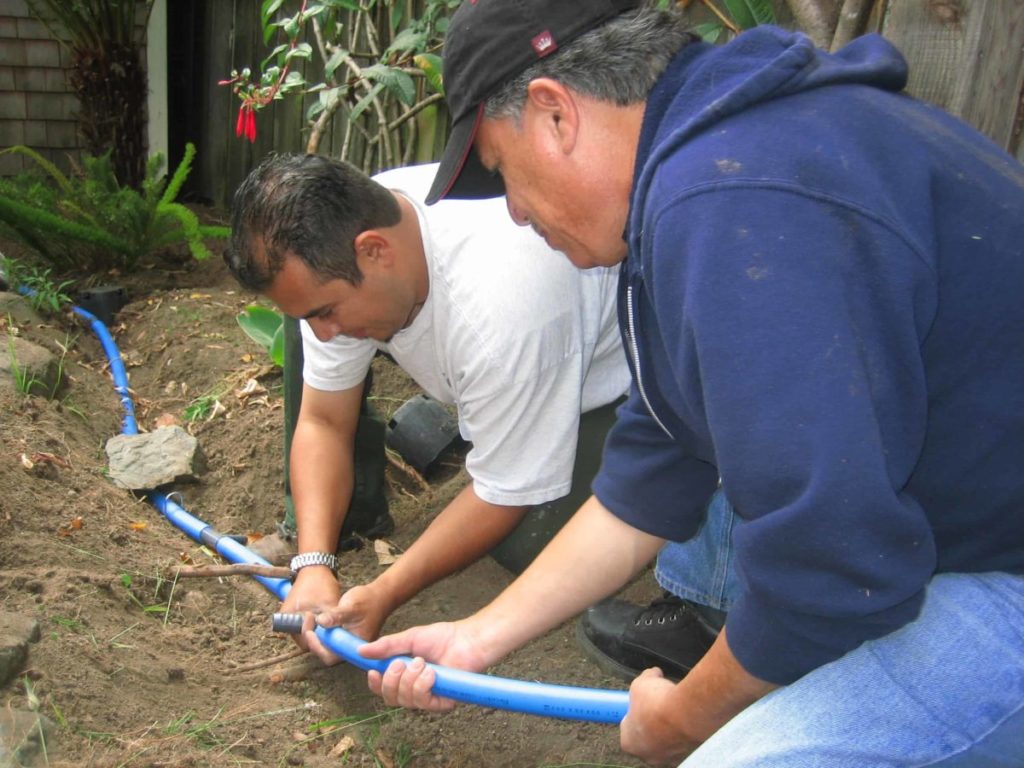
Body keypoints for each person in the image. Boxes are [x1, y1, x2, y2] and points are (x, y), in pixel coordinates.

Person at [325, 2, 1024, 765]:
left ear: (554, 114)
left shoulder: (730, 202)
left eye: (502, 174)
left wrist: (689, 716)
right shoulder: (715, 159)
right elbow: (655, 468)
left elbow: (832, 558)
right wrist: (475, 635)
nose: (517, 214)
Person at [225, 155, 630, 643]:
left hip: (610, 387)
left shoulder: (504, 312)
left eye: (326, 312)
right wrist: (313, 565)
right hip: (505, 364)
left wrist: (386, 591)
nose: (323, 334)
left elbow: (503, 491)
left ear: (374, 251)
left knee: (527, 545)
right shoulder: (346, 239)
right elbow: (324, 421)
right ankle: (485, 426)